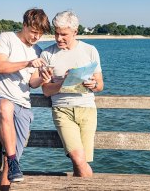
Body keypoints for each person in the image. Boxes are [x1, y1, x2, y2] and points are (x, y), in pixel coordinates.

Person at [0, 8, 51, 188]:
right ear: (24, 25)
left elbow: (32, 82)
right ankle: (13, 160)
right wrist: (28, 63)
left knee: (9, 165)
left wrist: (43, 79)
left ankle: (11, 165)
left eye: (40, 34)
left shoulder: (38, 50)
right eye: (33, 32)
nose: (36, 37)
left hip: (23, 106)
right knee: (7, 107)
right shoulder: (6, 38)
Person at [40, 10, 104, 177]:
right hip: (62, 110)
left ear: (75, 32)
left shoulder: (90, 51)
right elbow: (46, 90)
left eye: (64, 34)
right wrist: (64, 82)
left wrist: (93, 84)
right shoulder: (47, 54)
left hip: (88, 110)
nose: (58, 38)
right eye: (56, 33)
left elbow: (100, 85)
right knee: (77, 157)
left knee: (80, 161)